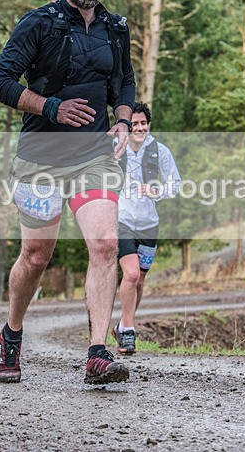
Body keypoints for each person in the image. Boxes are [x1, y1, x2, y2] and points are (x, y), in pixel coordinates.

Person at [0, 0, 135, 385]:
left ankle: (97, 353)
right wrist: (51, 106)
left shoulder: (115, 27)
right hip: (41, 159)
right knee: (36, 256)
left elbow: (123, 81)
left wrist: (123, 122)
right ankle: (11, 334)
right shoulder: (39, 23)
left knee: (105, 245)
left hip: (94, 155)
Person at [111, 102, 180, 354]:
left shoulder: (159, 150)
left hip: (149, 223)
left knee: (139, 281)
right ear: (126, 126)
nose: (139, 128)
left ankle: (121, 326)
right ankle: (129, 330)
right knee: (129, 274)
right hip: (122, 219)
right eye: (134, 124)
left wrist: (157, 191)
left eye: (143, 123)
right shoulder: (115, 147)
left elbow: (175, 182)